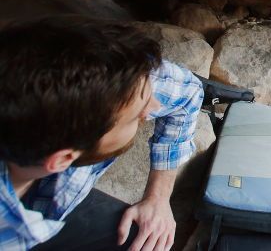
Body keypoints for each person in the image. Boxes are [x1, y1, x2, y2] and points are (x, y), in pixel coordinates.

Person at [0, 17, 204, 251]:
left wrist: (157, 198)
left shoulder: (108, 83)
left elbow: (187, 94)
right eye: (137, 116)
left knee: (143, 239)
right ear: (64, 159)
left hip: (53, 204)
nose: (154, 107)